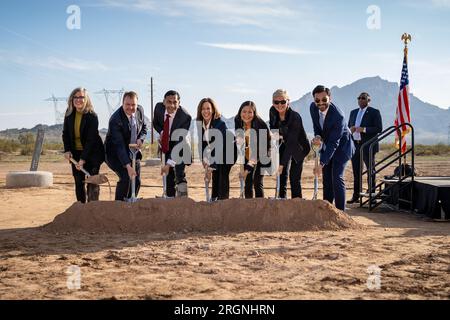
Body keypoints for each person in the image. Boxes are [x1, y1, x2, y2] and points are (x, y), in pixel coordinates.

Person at [310, 85, 355, 211]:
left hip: (342, 148)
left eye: (324, 99)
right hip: (328, 145)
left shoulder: (338, 116)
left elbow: (334, 143)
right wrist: (318, 136)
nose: (321, 103)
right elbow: (317, 127)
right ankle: (327, 210)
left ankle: (341, 213)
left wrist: (321, 163)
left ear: (330, 98)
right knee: (327, 178)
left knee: (336, 176)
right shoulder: (313, 108)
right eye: (317, 100)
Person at [62, 87, 105, 203]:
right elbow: (65, 134)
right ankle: (81, 208)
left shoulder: (92, 116)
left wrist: (83, 160)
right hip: (75, 153)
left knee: (92, 182)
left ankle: (93, 208)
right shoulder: (69, 113)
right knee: (78, 181)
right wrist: (67, 150)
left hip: (93, 153)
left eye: (81, 97)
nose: (78, 100)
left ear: (86, 99)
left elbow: (91, 140)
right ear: (72, 99)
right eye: (75, 97)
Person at [104, 91, 147, 201]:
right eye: (127, 104)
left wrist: (140, 139)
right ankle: (119, 205)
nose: (131, 107)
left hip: (133, 151)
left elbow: (144, 128)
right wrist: (127, 166)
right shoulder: (115, 120)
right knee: (125, 177)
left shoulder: (140, 111)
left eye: (133, 105)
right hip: (115, 153)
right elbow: (119, 145)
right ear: (122, 103)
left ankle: (131, 202)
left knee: (137, 180)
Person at [269, 89, 310, 198]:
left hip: (299, 147)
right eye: (276, 102)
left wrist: (282, 164)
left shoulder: (295, 117)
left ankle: (297, 203)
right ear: (273, 103)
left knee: (294, 178)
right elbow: (273, 129)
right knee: (281, 175)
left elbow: (292, 142)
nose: (279, 105)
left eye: (282, 102)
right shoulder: (272, 111)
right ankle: (281, 199)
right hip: (284, 143)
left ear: (288, 102)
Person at [152, 90, 192, 197]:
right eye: (169, 102)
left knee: (178, 171)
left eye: (175, 102)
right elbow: (155, 123)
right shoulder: (158, 108)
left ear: (179, 103)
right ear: (164, 102)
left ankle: (183, 198)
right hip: (166, 143)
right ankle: (170, 198)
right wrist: (162, 132)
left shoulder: (185, 117)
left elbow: (179, 144)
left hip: (181, 145)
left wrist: (169, 163)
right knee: (168, 173)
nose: (172, 105)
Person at [196, 98, 236, 200]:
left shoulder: (219, 124)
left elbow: (219, 146)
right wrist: (204, 162)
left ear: (213, 110)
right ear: (200, 111)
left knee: (222, 172)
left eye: (208, 108)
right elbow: (202, 144)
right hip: (217, 152)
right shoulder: (200, 124)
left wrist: (210, 167)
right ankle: (214, 198)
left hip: (229, 150)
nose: (206, 111)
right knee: (216, 173)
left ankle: (223, 200)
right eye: (203, 109)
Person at [347, 92, 383, 204]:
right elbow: (348, 127)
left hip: (368, 146)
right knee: (356, 172)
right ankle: (356, 196)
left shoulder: (374, 112)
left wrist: (364, 129)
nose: (361, 100)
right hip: (355, 145)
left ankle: (372, 195)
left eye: (363, 98)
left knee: (370, 171)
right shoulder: (353, 112)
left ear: (369, 100)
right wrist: (351, 129)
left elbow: (379, 128)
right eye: (359, 98)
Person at [234, 101, 271, 198]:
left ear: (254, 113)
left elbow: (257, 153)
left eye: (250, 112)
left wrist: (246, 171)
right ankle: (248, 206)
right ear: (240, 112)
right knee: (248, 182)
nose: (246, 115)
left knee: (257, 181)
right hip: (248, 152)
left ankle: (260, 206)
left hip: (262, 154)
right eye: (244, 111)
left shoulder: (261, 125)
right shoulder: (238, 120)